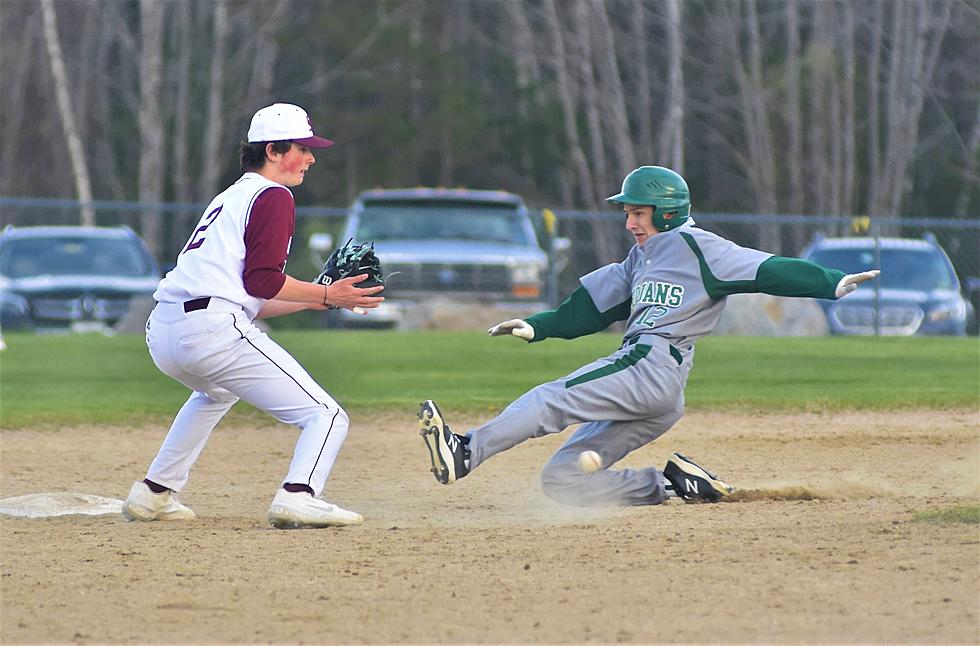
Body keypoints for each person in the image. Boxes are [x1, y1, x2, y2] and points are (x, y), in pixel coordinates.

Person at [419, 166, 879, 506]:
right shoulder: (641, 257)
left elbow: (768, 269)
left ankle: (465, 452)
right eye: (628, 212)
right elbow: (591, 308)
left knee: (548, 401)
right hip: (659, 393)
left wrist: (829, 282)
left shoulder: (703, 249)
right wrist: (537, 326)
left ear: (667, 211)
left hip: (651, 364)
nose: (629, 222)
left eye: (638, 212)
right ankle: (673, 484)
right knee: (562, 481)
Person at [122, 103, 384, 528]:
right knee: (326, 415)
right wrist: (324, 291)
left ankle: (154, 492)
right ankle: (299, 495)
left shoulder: (231, 196)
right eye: (303, 148)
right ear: (274, 151)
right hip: (210, 330)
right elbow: (262, 281)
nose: (312, 157)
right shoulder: (274, 194)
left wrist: (326, 298)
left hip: (166, 331)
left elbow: (253, 297)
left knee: (216, 393)